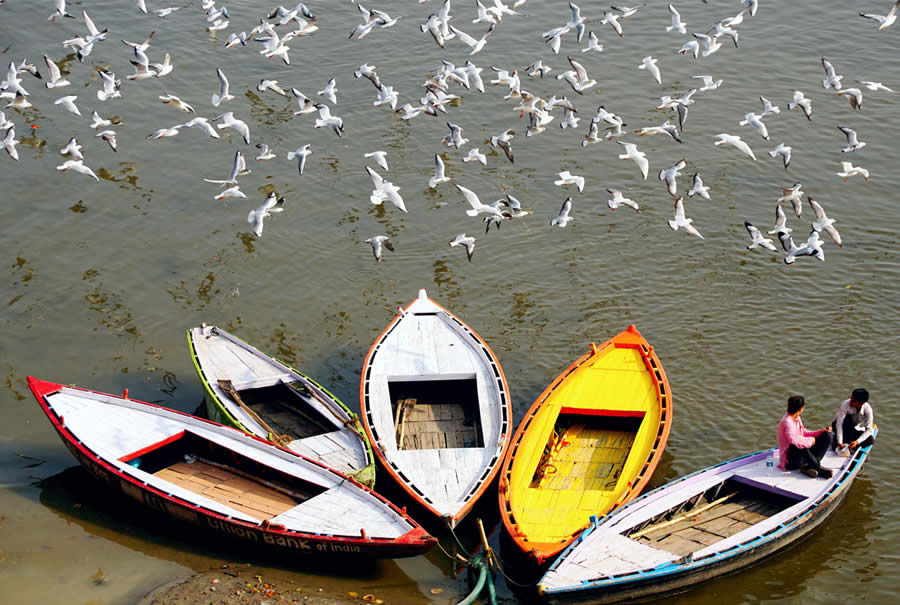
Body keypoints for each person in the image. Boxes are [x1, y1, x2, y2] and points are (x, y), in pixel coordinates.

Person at [777, 395, 833, 479]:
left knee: (827, 435)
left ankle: (809, 466)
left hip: (800, 457)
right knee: (801, 445)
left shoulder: (796, 417)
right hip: (790, 462)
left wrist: (820, 432)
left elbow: (803, 432)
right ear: (801, 408)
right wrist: (810, 441)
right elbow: (793, 440)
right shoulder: (787, 421)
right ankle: (816, 467)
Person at [832, 388, 875, 453]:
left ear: (861, 403)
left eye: (854, 401)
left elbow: (869, 430)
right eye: (851, 398)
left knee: (870, 440)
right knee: (850, 420)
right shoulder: (845, 404)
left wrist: (857, 441)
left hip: (853, 429)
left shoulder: (868, 409)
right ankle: (841, 441)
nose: (851, 401)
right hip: (841, 426)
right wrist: (840, 441)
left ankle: (849, 443)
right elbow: (839, 424)